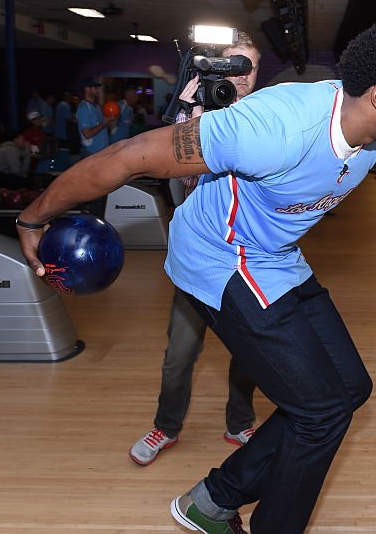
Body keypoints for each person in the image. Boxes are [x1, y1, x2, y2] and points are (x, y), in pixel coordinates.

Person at [16, 22, 376, 533]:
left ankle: (213, 499)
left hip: (273, 254)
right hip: (220, 254)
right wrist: (31, 218)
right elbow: (126, 158)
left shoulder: (374, 135)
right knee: (321, 413)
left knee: (349, 389)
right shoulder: (276, 129)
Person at [129, 34, 262, 468]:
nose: (242, 76)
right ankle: (166, 427)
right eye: (234, 66)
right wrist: (188, 114)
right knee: (179, 355)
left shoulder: (264, 122)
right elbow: (175, 179)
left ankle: (239, 423)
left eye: (251, 67)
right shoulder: (195, 115)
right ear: (215, 70)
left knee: (249, 354)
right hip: (197, 262)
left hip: (244, 261)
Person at [75, 78, 114, 156]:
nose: (98, 90)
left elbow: (101, 127)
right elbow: (87, 134)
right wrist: (104, 123)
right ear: (87, 89)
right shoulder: (84, 108)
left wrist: (110, 121)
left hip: (101, 151)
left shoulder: (97, 107)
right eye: (95, 88)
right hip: (91, 152)